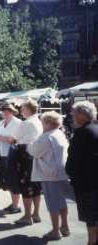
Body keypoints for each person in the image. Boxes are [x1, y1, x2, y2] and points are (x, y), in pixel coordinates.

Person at [28, 111, 71, 241]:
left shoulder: (46, 136)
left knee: (53, 204)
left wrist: (31, 143)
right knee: (61, 201)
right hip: (62, 172)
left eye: (42, 122)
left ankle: (55, 230)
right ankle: (65, 225)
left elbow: (33, 151)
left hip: (49, 174)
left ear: (47, 123)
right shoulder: (60, 134)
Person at [65, 101, 98, 245]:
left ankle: (91, 242)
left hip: (86, 182)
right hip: (93, 180)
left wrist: (70, 172)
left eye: (74, 112)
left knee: (91, 216)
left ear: (83, 114)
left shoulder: (82, 133)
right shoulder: (95, 129)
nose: (72, 115)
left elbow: (74, 160)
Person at [12, 99, 43, 225]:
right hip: (36, 154)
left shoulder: (26, 123)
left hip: (25, 154)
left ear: (29, 109)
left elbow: (14, 138)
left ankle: (27, 216)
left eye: (23, 109)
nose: (21, 111)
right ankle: (36, 214)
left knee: (26, 186)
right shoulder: (39, 121)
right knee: (36, 186)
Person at [0, 103, 22, 214]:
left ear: (12, 111)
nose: (4, 112)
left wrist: (4, 138)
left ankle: (16, 205)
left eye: (7, 110)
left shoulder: (17, 123)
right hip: (1, 152)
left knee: (13, 179)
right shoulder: (1, 122)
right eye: (3, 110)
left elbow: (18, 139)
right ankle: (14, 203)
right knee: (7, 179)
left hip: (12, 154)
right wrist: (0, 138)